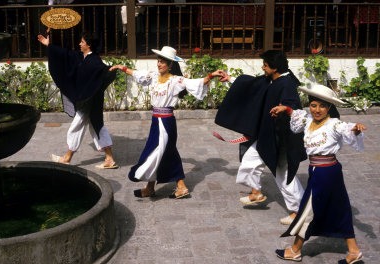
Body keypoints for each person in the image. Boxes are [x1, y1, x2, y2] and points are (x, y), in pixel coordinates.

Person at [109, 46, 224, 198]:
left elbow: (196, 82)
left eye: (163, 62)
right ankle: (153, 187)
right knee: (161, 152)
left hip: (166, 122)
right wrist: (121, 67)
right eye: (158, 61)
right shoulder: (153, 76)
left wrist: (211, 75)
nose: (159, 64)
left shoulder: (176, 80)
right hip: (156, 121)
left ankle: (179, 186)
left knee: (160, 152)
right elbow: (136, 74)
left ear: (170, 65)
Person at [270, 84, 367, 264]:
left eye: (322, 106)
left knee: (308, 211)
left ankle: (295, 250)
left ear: (329, 107)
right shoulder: (308, 120)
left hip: (326, 173)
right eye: (314, 105)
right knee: (340, 208)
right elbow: (296, 115)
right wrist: (286, 109)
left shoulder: (334, 124)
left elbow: (347, 128)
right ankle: (353, 251)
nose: (317, 110)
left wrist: (356, 128)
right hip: (320, 171)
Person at [215, 50, 306, 225]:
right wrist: (230, 79)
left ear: (275, 68)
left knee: (284, 175)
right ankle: (256, 193)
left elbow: (293, 107)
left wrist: (284, 109)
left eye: (265, 64)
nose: (262, 67)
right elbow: (252, 85)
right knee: (249, 162)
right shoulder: (273, 80)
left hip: (281, 140)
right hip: (266, 136)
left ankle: (299, 212)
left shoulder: (286, 84)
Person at [37, 31, 119, 169]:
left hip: (89, 102)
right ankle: (109, 159)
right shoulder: (82, 57)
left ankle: (67, 158)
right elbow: (66, 54)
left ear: (89, 45)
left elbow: (103, 71)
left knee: (77, 127)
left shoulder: (94, 61)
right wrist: (49, 45)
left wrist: (111, 70)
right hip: (86, 101)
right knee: (96, 127)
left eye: (82, 42)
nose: (79, 44)